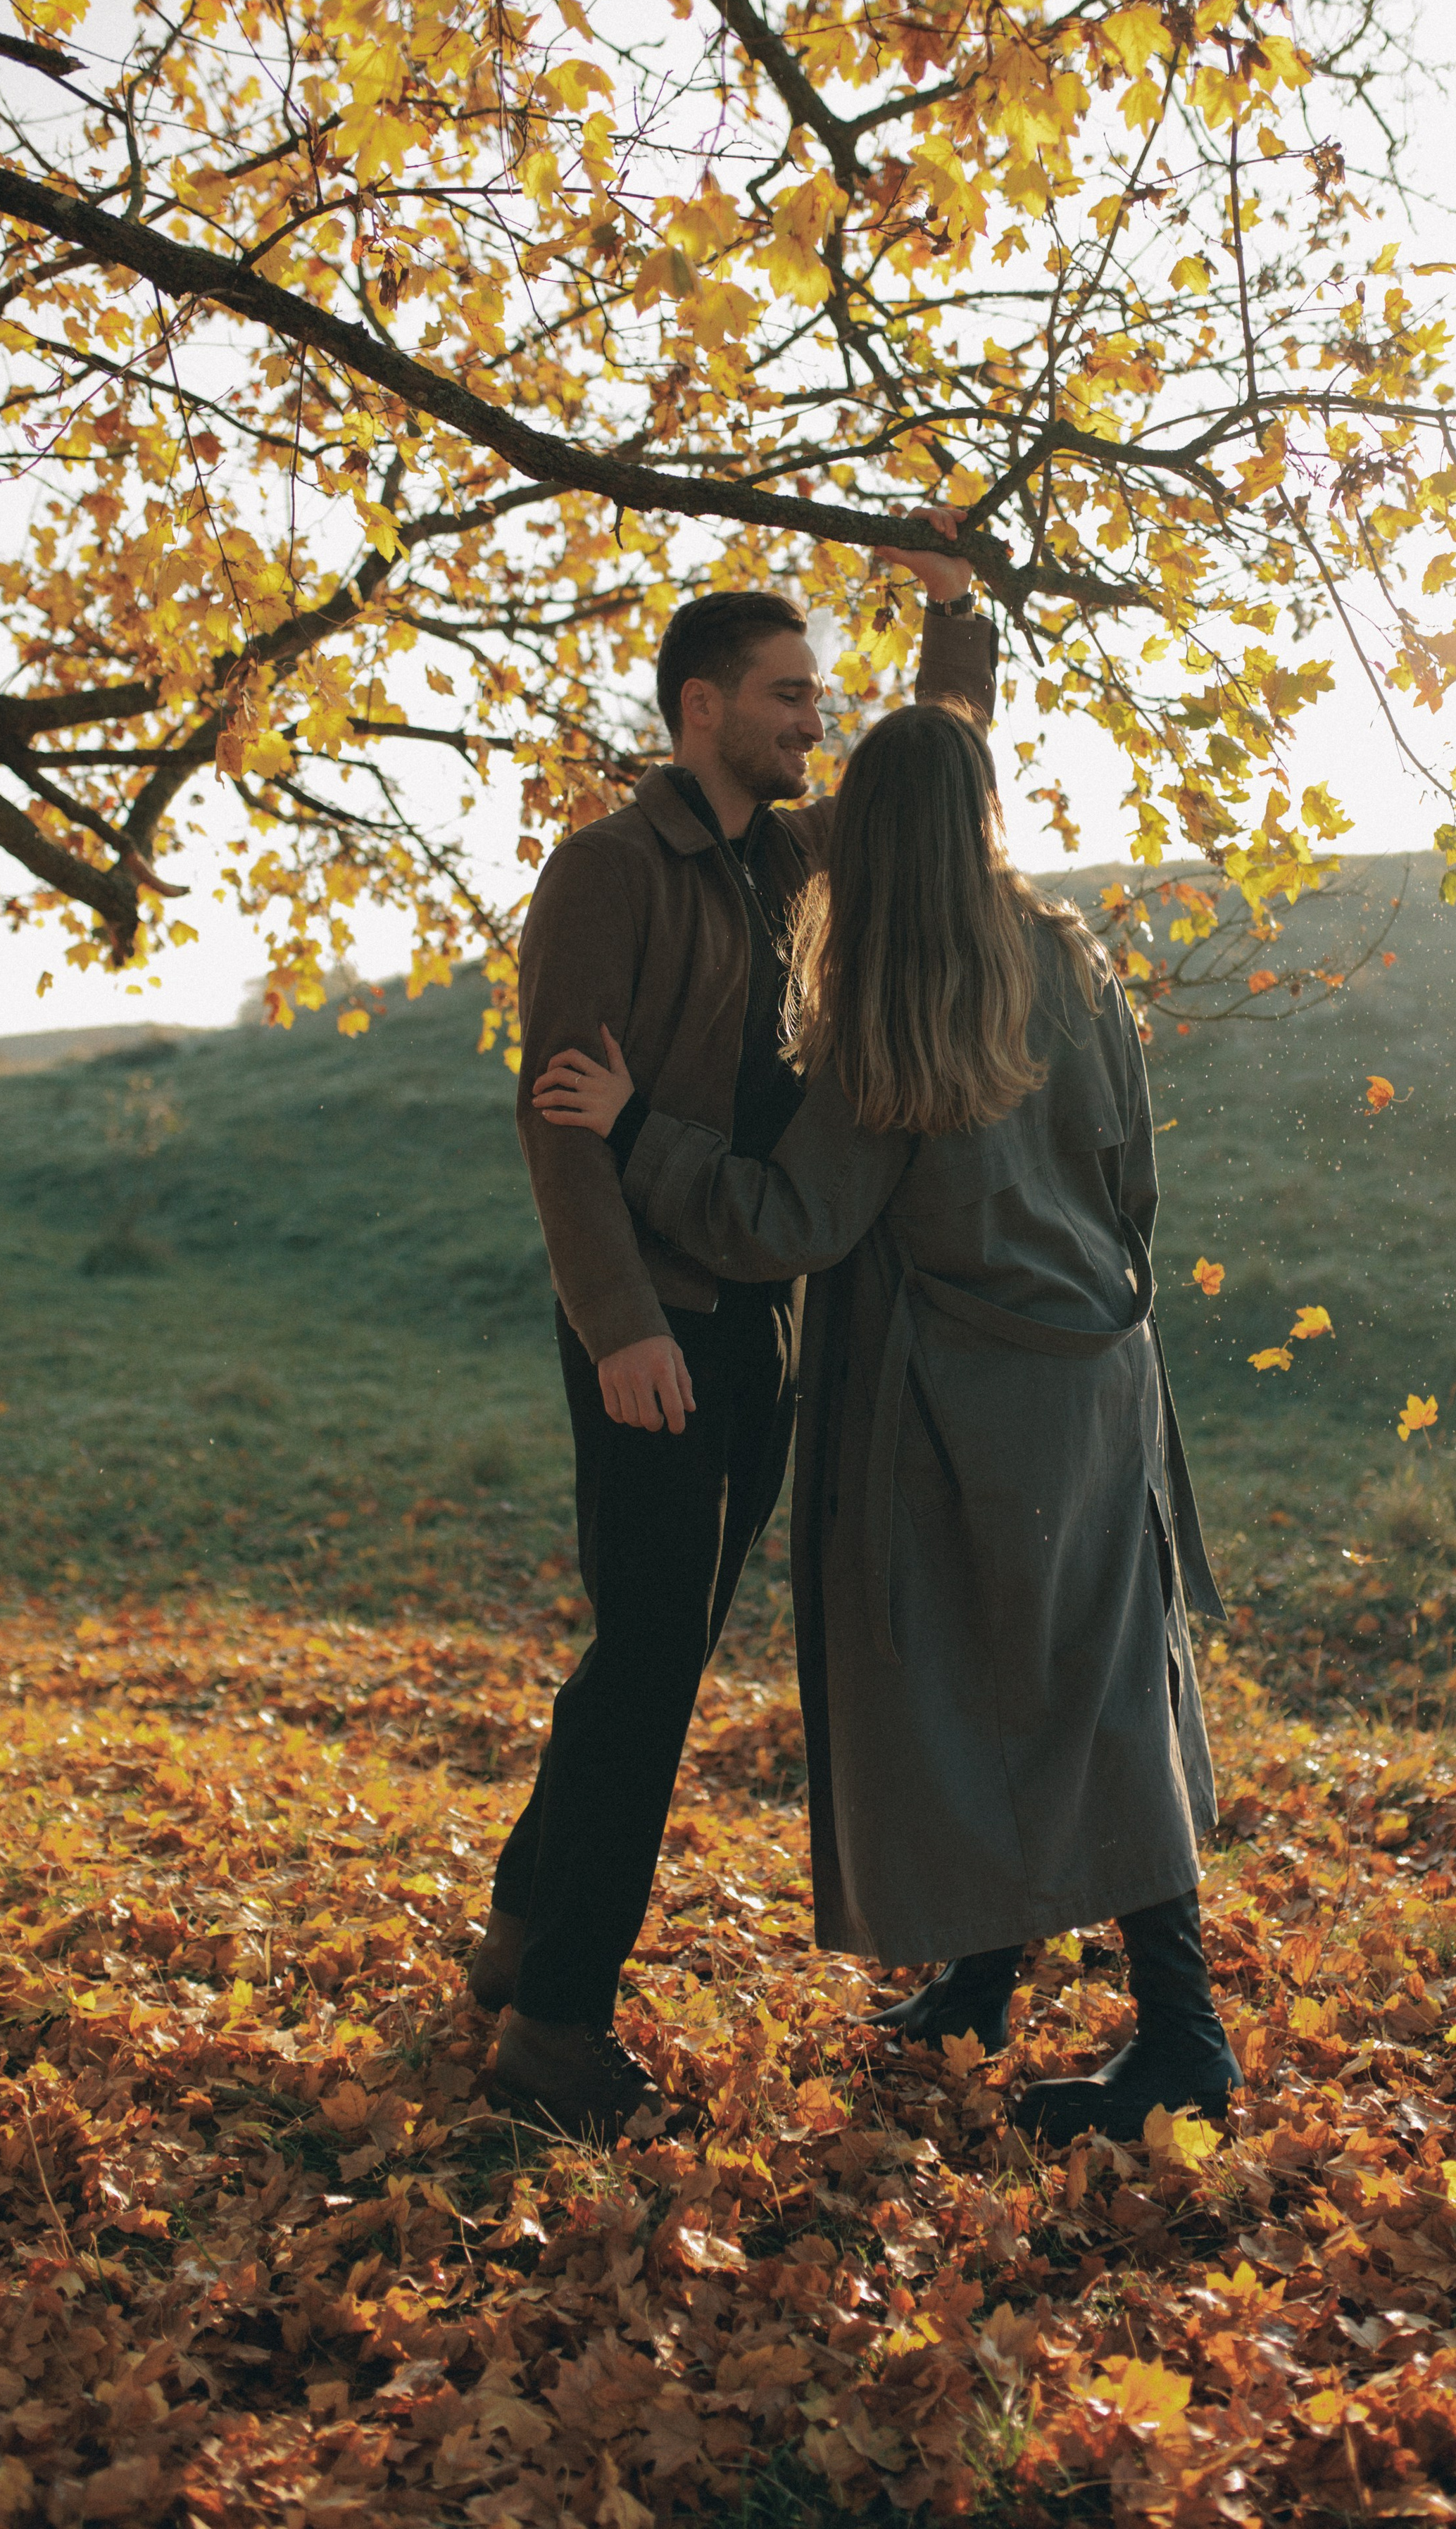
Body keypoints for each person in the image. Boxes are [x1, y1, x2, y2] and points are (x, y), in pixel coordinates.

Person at [536, 701, 1243, 2147]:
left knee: (1026, 1690)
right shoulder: (1064, 953)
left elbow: (782, 1219)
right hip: (1098, 1370)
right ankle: (985, 1976)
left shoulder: (886, 1005)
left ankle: (1183, 2037)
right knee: (1069, 1677)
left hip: (958, 1397)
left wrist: (630, 1129)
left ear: (865, 841)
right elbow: (1127, 1170)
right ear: (981, 813)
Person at [474, 515, 996, 2139]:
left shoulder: (786, 857)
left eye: (815, 697)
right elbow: (560, 1115)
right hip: (651, 1335)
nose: (807, 720)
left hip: (753, 1324)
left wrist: (957, 619)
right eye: (784, 695)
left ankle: (515, 1936)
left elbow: (925, 793)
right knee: (644, 1669)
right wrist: (619, 1325)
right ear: (698, 707)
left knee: (659, 1652)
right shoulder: (608, 869)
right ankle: (556, 2027)